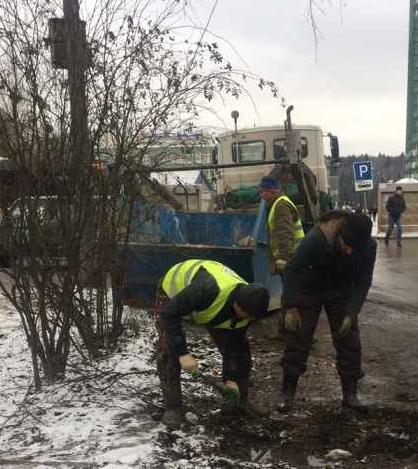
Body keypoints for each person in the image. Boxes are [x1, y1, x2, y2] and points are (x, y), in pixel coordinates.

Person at [276, 210, 377, 413]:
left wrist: (350, 313)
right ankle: (287, 393)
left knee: (349, 341)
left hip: (340, 291)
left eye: (353, 249)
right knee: (299, 338)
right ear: (340, 235)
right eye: (345, 245)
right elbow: (292, 269)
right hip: (309, 289)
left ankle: (350, 395)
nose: (349, 251)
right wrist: (291, 307)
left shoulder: (368, 247)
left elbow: (363, 282)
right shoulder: (318, 237)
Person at [155, 259, 270, 430]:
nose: (248, 320)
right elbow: (169, 314)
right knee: (169, 349)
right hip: (172, 292)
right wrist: (183, 353)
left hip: (211, 308)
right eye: (246, 315)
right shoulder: (207, 289)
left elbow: (233, 345)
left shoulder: (248, 305)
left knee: (242, 350)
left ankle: (241, 399)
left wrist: (230, 379)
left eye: (252, 318)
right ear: (237, 304)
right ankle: (173, 407)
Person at [257, 175, 304, 338]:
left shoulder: (281, 206)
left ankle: (301, 334)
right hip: (292, 258)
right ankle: (285, 331)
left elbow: (285, 234)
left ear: (270, 191)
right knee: (289, 296)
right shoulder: (279, 203)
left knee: (293, 297)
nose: (261, 195)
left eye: (262, 191)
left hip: (292, 259)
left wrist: (282, 258)